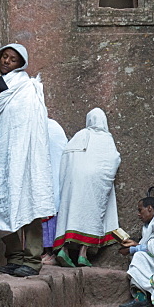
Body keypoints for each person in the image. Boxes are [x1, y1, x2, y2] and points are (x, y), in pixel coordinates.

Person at [0, 44, 56, 277]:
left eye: (12, 59)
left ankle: (32, 261)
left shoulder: (26, 87)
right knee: (5, 202)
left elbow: (25, 116)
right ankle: (14, 257)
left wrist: (2, 98)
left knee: (28, 204)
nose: (6, 62)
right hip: (2, 156)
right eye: (4, 57)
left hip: (24, 155)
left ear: (20, 64)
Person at [53, 108, 121, 267]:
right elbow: (113, 160)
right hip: (93, 184)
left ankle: (64, 250)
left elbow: (66, 158)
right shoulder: (106, 138)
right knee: (91, 215)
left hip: (74, 183)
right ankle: (83, 254)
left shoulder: (79, 136)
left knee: (71, 213)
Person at [41, 117, 69, 265]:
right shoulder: (55, 127)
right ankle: (47, 251)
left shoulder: (48, 127)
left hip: (51, 177)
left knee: (50, 217)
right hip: (52, 177)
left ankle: (51, 252)